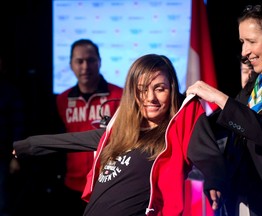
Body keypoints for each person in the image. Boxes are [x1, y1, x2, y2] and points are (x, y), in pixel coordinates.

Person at [13, 54, 227, 215]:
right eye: (142, 89)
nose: (150, 97)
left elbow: (207, 154)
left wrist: (214, 180)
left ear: (172, 91)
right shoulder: (119, 133)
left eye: (160, 88)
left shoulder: (176, 133)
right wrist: (26, 146)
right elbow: (71, 140)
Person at [186, 2, 262, 215]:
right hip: (241, 199)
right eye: (242, 42)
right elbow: (223, 127)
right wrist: (215, 176)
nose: (244, 52)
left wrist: (219, 97)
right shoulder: (256, 85)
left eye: (251, 41)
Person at [56, 39, 123, 215]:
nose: (85, 66)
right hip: (72, 185)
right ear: (71, 64)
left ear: (99, 62)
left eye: (91, 60)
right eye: (79, 61)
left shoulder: (119, 95)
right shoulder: (62, 99)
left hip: (108, 184)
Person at [0, 53, 25, 216]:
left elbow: (18, 126)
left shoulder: (8, 91)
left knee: (3, 205)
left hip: (2, 157)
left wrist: (15, 158)